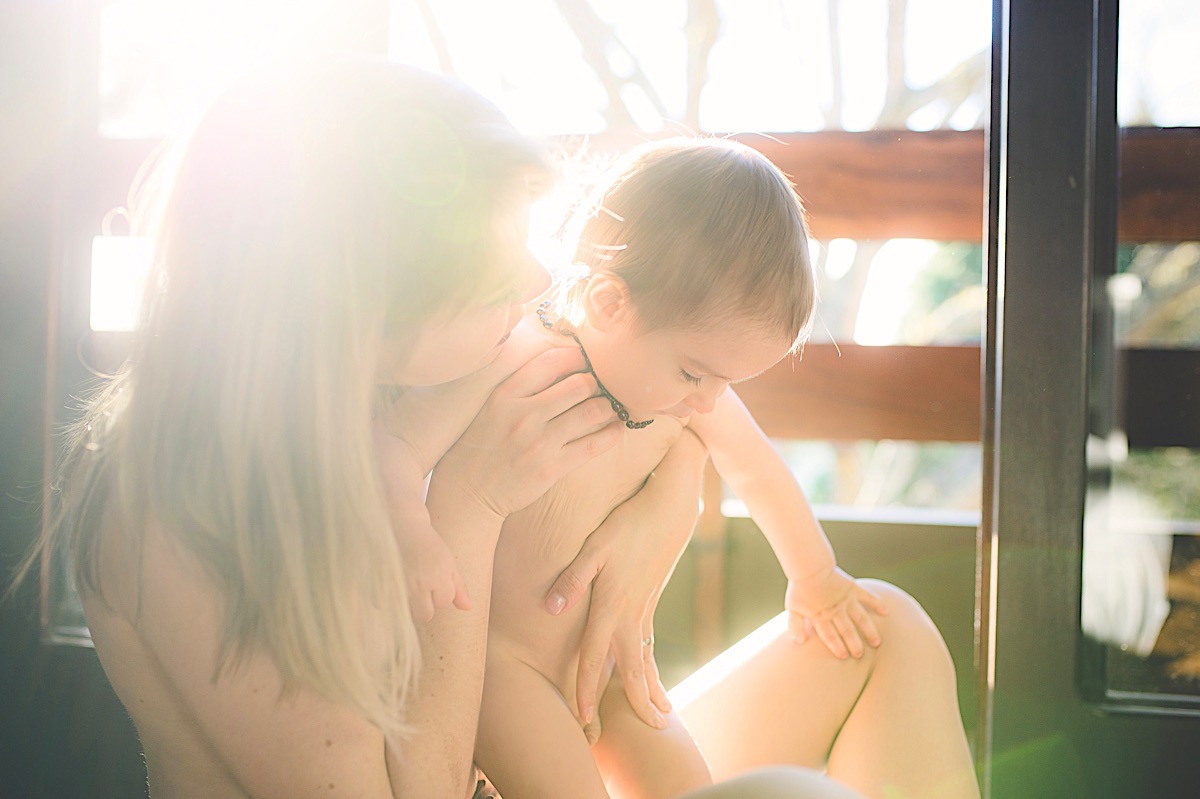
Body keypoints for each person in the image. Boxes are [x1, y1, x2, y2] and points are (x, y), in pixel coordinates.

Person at [17, 55, 891, 799]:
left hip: (554, 716)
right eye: (495, 264)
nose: (541, 273)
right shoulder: (200, 511)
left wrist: (661, 501)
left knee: (886, 635)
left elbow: (677, 405)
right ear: (365, 306)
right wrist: (471, 505)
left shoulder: (358, 408)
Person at [382, 138, 980, 798]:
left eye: (725, 381)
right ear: (609, 304)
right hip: (503, 666)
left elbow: (757, 470)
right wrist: (413, 534)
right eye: (696, 373)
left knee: (686, 783)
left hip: (611, 667)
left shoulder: (682, 393)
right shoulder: (511, 354)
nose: (708, 399)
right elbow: (397, 447)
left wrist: (816, 576)